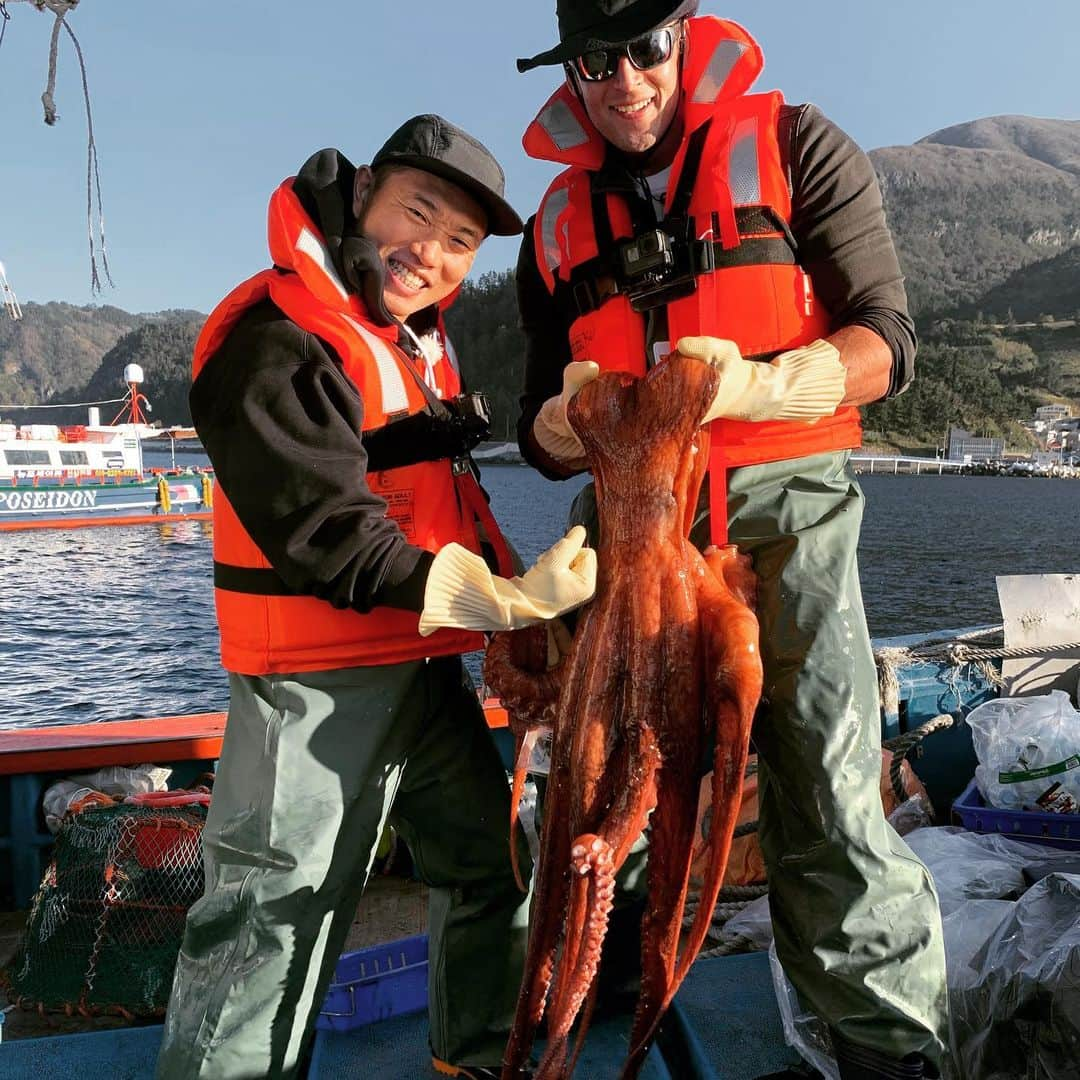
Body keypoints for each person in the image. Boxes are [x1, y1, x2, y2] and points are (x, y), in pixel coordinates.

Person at [513, 4, 948, 1078]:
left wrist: (769, 381)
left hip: (783, 507)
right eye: (592, 59)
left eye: (644, 47)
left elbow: (886, 342)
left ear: (685, 35)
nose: (622, 80)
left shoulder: (798, 146)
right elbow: (535, 424)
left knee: (828, 783)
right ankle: (597, 997)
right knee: (600, 775)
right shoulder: (555, 225)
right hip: (624, 524)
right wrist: (558, 425)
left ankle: (888, 1050)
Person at [155, 114, 596, 1080]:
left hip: (424, 670)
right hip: (311, 690)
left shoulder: (407, 344)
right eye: (417, 213)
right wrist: (507, 601)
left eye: (458, 244)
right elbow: (329, 533)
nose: (429, 254)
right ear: (363, 199)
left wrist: (529, 601)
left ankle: (477, 1057)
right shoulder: (274, 339)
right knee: (269, 919)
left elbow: (441, 502)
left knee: (489, 868)